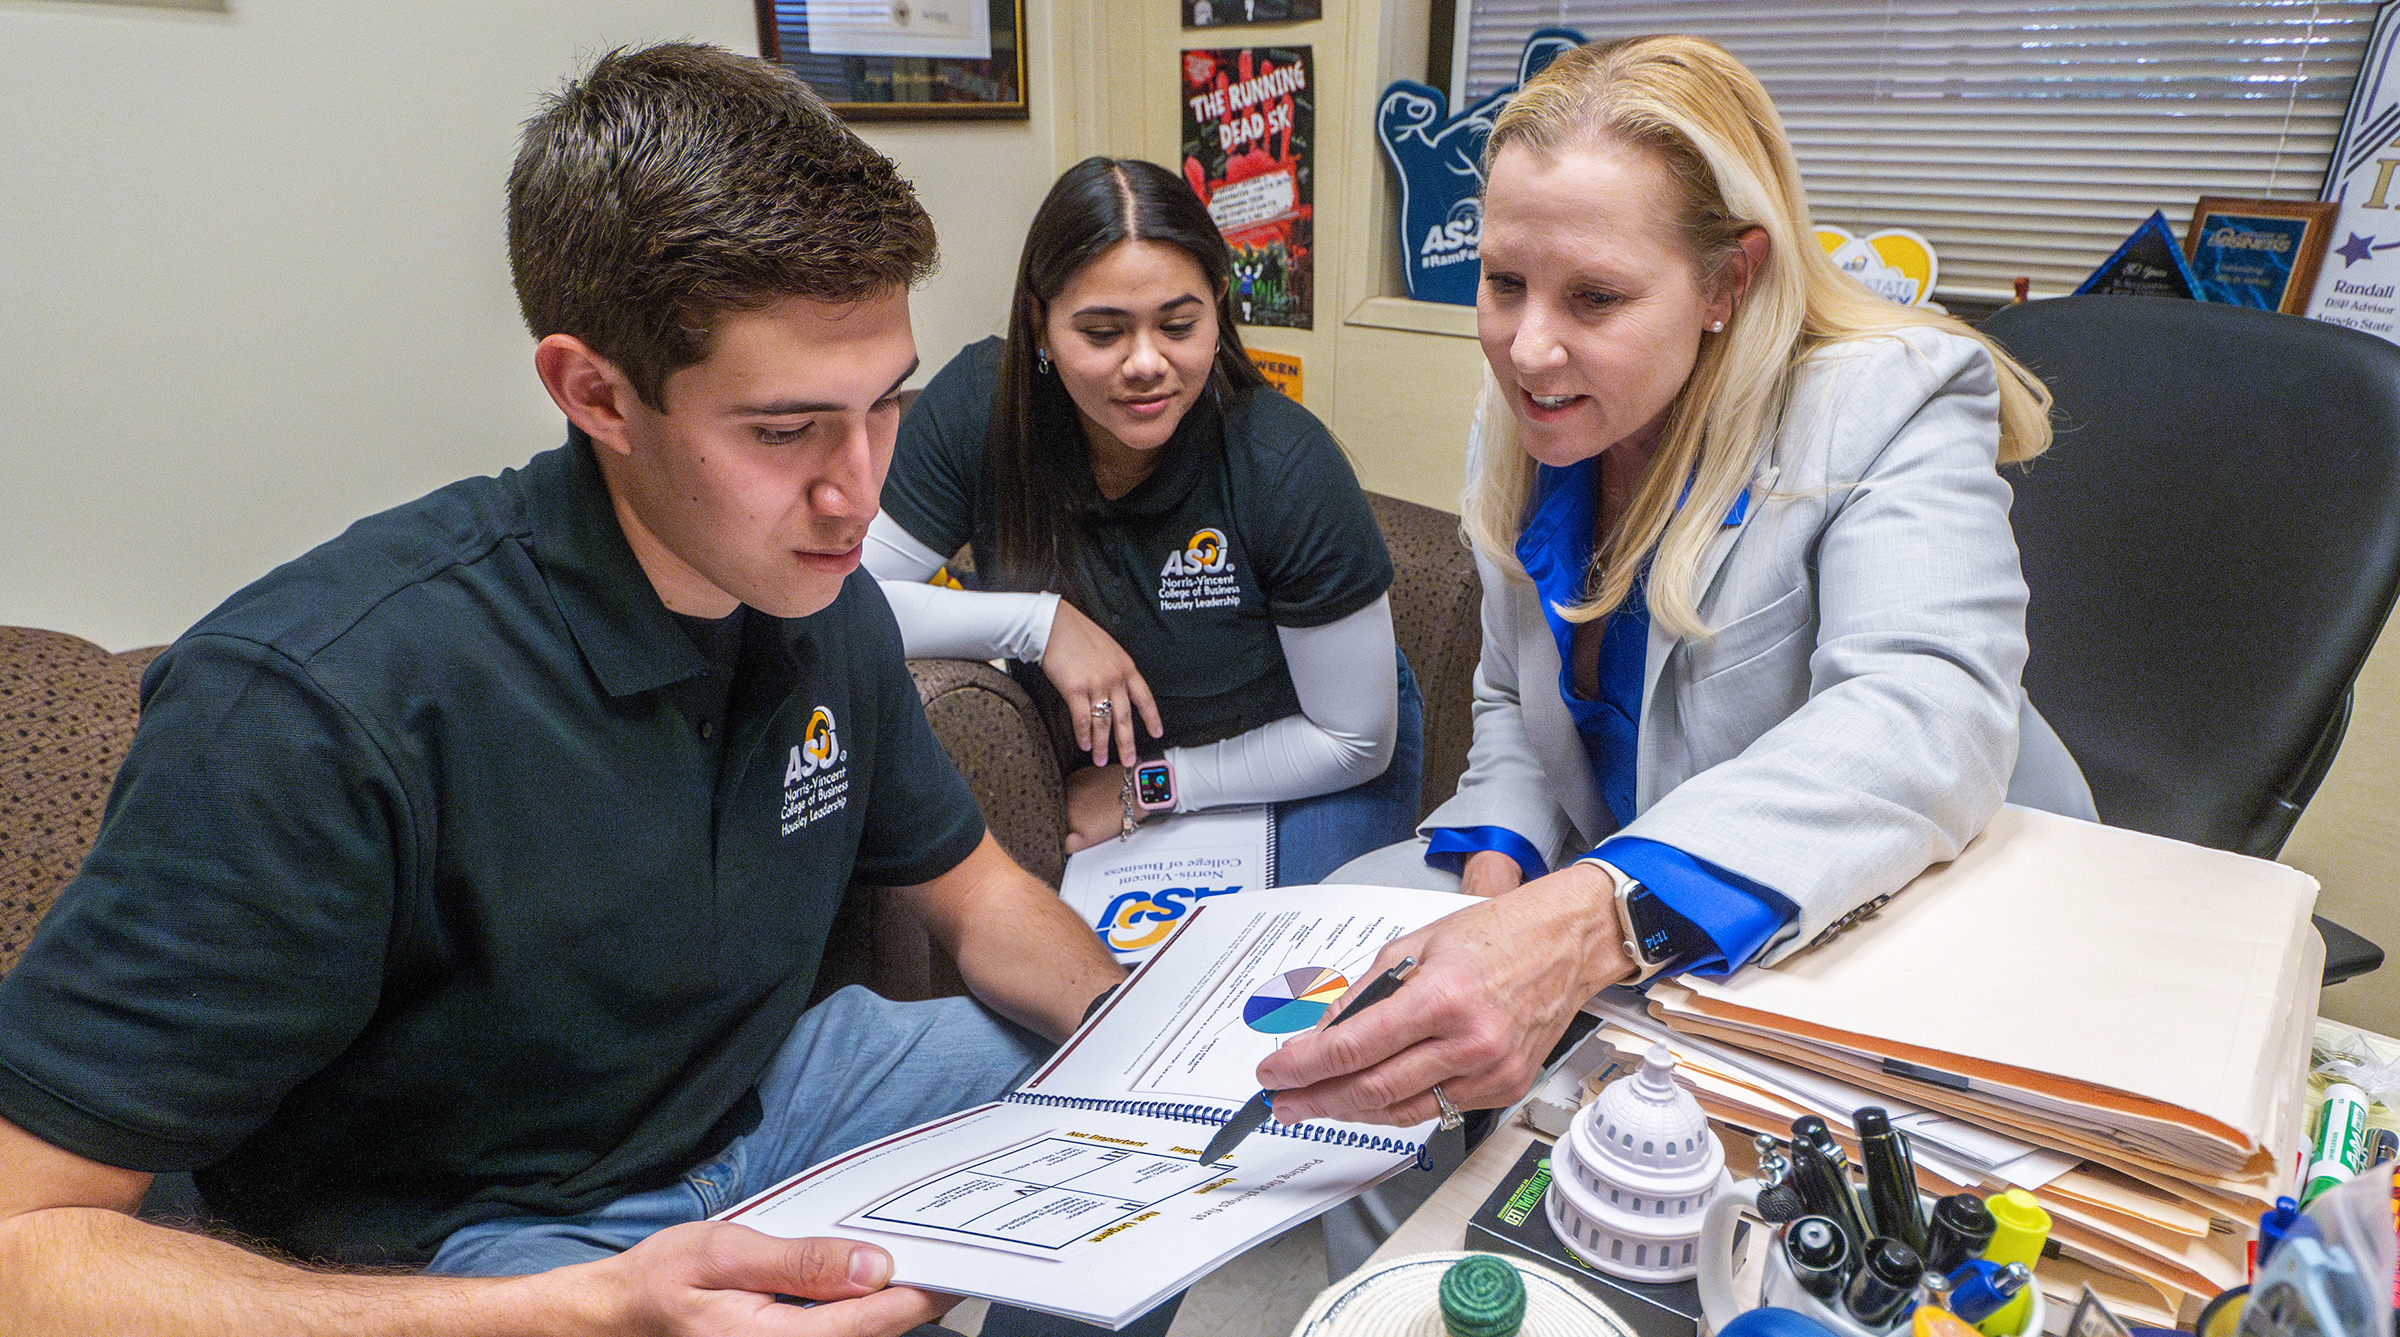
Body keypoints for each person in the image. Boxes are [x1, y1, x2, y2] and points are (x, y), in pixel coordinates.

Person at [0, 43, 1134, 1337]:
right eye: (782, 430)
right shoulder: (313, 705)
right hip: (464, 1236)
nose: (859, 492)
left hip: (769, 1103)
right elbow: (24, 1244)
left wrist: (1144, 1044)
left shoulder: (828, 604)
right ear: (594, 392)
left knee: (1132, 1139)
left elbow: (981, 896)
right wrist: (591, 1306)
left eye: (886, 405)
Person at [1259, 34, 2095, 1137]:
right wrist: (1501, 875)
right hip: (1627, 872)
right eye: (1505, 283)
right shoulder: (1525, 415)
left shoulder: (1889, 399)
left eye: (1596, 297)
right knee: (1366, 1014)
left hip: (1893, 894)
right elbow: (1513, 696)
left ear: (1725, 282)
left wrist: (1583, 920)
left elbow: (1924, 710)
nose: (1528, 347)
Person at [865, 156, 1422, 888]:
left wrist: (1151, 789)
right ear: (1040, 321)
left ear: (1219, 306)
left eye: (1179, 324)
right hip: (1118, 761)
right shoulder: (980, 407)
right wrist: (1039, 625)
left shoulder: (1285, 460)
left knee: (1287, 990)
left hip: (1305, 755)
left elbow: (1353, 740)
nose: (1147, 363)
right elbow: (851, 598)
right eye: (1102, 333)